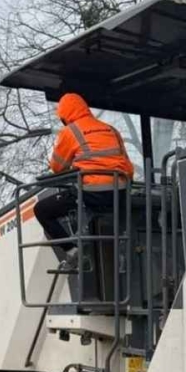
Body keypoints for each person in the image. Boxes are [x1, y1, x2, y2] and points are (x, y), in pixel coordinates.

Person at [34, 93, 135, 254]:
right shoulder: (111, 130)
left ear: (64, 115)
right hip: (120, 194)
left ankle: (72, 252)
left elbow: (57, 167)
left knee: (42, 210)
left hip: (93, 194)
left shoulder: (70, 131)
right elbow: (128, 168)